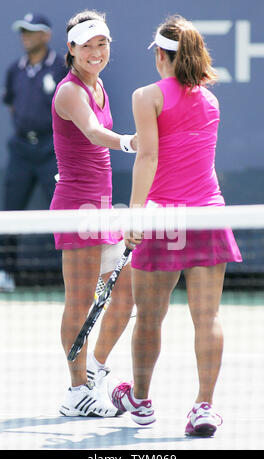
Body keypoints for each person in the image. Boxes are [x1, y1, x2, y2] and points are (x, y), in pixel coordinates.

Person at [108, 15, 242, 436]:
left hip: (164, 220)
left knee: (149, 317)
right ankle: (204, 407)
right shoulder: (211, 101)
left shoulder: (146, 96)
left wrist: (135, 213)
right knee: (208, 317)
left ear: (161, 56)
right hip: (208, 215)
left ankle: (142, 402)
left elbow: (147, 157)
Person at [50, 9, 136, 417]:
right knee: (81, 301)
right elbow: (92, 132)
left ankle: (94, 373)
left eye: (102, 43)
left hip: (101, 209)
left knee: (127, 294)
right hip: (76, 209)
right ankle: (74, 392)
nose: (96, 51)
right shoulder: (70, 92)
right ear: (71, 49)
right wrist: (129, 142)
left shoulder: (99, 85)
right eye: (87, 45)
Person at [0, 13, 67, 291]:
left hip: (52, 148)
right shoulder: (14, 69)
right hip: (21, 150)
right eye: (23, 31)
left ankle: (74, 273)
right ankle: (5, 272)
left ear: (46, 35)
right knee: (10, 211)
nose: (26, 36)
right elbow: (13, 105)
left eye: (32, 31)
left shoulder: (62, 68)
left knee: (63, 212)